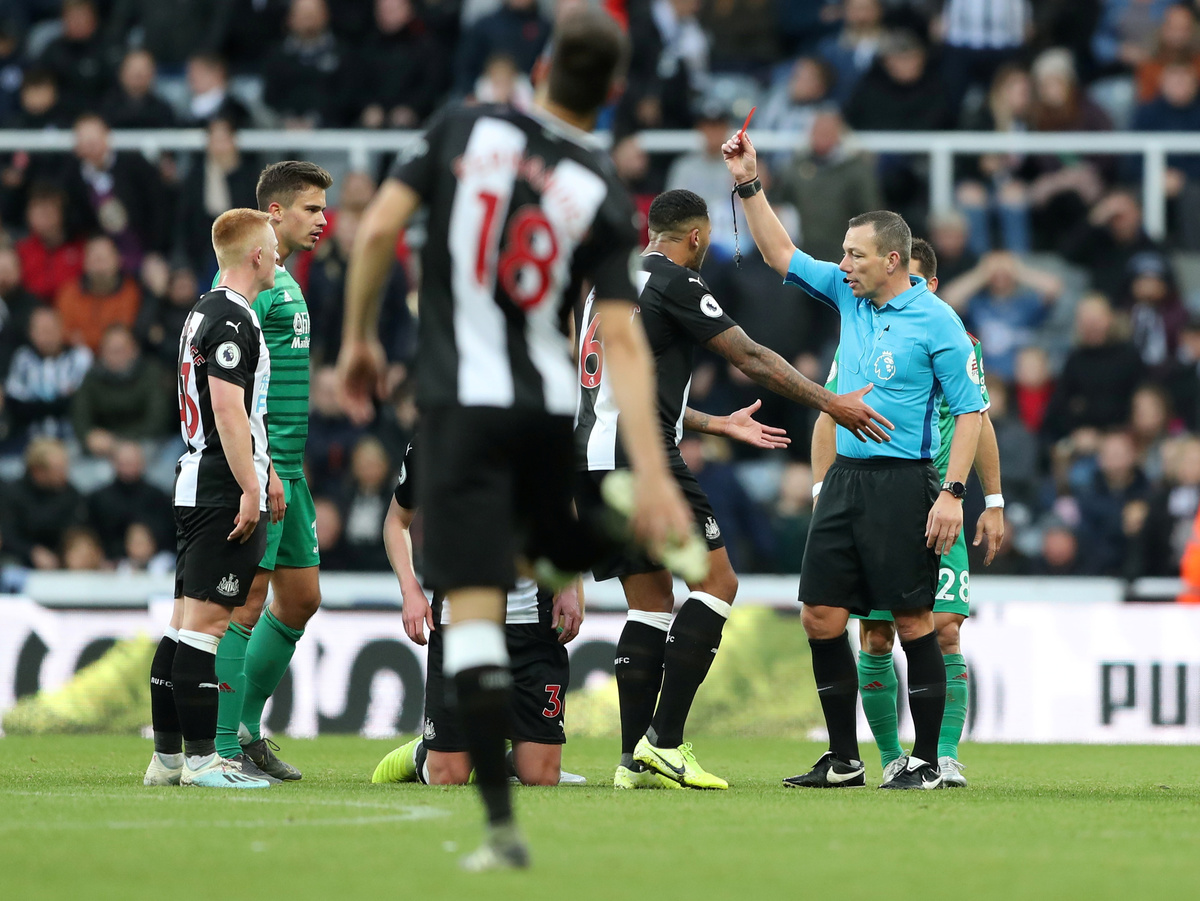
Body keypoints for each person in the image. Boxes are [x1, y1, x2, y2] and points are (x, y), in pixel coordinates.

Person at [338, 7, 699, 871]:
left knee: (472, 602)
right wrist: (654, 472)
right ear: (614, 91)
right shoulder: (601, 188)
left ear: (540, 68)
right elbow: (622, 341)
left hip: (458, 405)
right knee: (542, 552)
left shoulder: (463, 128)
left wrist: (356, 339)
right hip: (543, 413)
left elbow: (380, 229)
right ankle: (588, 541)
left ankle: (500, 828)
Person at [574, 189, 891, 791]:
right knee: (718, 583)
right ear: (696, 237)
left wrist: (716, 424)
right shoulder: (678, 282)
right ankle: (665, 742)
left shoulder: (605, 286)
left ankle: (633, 760)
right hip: (641, 458)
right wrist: (832, 403)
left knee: (649, 603)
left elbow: (610, 387)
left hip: (592, 458)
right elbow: (750, 356)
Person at [722, 128, 985, 790]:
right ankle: (844, 759)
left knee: (914, 620)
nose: (843, 264)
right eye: (842, 253)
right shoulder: (848, 294)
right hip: (845, 480)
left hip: (904, 482)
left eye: (855, 254)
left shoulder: (939, 321)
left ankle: (927, 760)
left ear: (893, 260)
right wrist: (748, 182)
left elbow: (972, 413)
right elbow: (780, 252)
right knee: (820, 614)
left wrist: (953, 493)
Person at [810, 237, 1004, 788]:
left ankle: (942, 755)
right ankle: (893, 757)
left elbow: (978, 420)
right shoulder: (862, 333)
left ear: (929, 285)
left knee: (943, 629)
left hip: (938, 502)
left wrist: (992, 500)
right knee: (875, 636)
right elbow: (828, 413)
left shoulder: (955, 338)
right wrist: (823, 490)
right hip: (872, 500)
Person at [143, 207, 280, 790]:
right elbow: (227, 407)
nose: (279, 256)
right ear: (256, 255)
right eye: (274, 248)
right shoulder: (231, 317)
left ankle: (168, 760)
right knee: (205, 628)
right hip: (221, 483)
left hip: (197, 479)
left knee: (181, 625)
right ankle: (203, 761)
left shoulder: (203, 309)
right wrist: (251, 484)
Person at [371, 436, 587, 787]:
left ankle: (504, 754)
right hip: (459, 620)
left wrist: (569, 584)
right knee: (448, 777)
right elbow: (397, 521)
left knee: (541, 776)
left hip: (531, 621)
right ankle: (425, 752)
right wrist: (410, 590)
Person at [211, 160, 331, 782]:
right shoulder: (247, 282)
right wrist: (262, 470)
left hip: (290, 467)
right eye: (312, 208)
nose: (323, 220)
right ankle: (222, 743)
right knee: (246, 602)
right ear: (276, 213)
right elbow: (234, 387)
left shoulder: (285, 277)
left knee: (302, 597)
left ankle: (244, 728)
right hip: (263, 469)